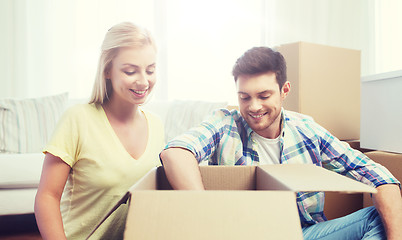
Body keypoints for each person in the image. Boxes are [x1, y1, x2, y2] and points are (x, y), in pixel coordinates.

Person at [160, 47, 402, 239]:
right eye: (244, 97)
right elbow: (176, 152)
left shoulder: (306, 130)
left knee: (381, 217)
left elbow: (381, 178)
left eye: (264, 96)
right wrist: (203, 213)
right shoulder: (224, 124)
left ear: (284, 90)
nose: (253, 107)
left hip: (304, 234)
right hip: (244, 236)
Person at [34, 22, 165, 239]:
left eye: (150, 70)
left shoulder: (157, 125)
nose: (143, 81)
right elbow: (47, 197)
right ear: (107, 70)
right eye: (130, 71)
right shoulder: (77, 119)